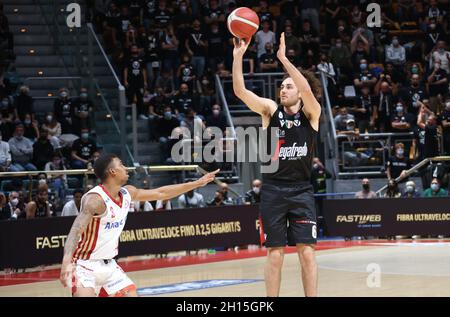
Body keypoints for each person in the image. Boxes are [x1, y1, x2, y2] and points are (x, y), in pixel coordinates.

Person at [232, 33, 321, 297]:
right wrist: (238, 57)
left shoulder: (311, 113)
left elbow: (306, 88)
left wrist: (283, 59)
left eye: (288, 86)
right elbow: (240, 91)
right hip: (273, 190)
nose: (283, 89)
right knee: (275, 254)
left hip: (302, 190)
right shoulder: (271, 110)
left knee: (307, 253)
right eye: (282, 86)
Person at [59, 154, 219, 296]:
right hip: (84, 265)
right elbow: (75, 230)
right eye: (121, 164)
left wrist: (197, 183)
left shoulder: (127, 193)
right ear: (112, 172)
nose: (125, 167)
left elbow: (162, 193)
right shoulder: (95, 200)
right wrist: (67, 262)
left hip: (110, 265)